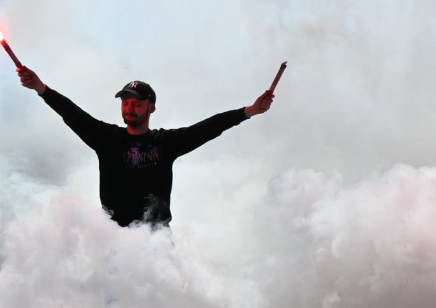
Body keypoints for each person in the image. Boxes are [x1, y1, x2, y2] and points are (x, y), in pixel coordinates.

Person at [18, 66, 274, 227]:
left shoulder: (166, 143)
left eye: (137, 103)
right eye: (125, 102)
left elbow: (207, 128)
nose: (130, 107)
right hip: (113, 242)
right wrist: (41, 88)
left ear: (151, 106)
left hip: (156, 242)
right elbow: (72, 113)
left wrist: (249, 111)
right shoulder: (106, 138)